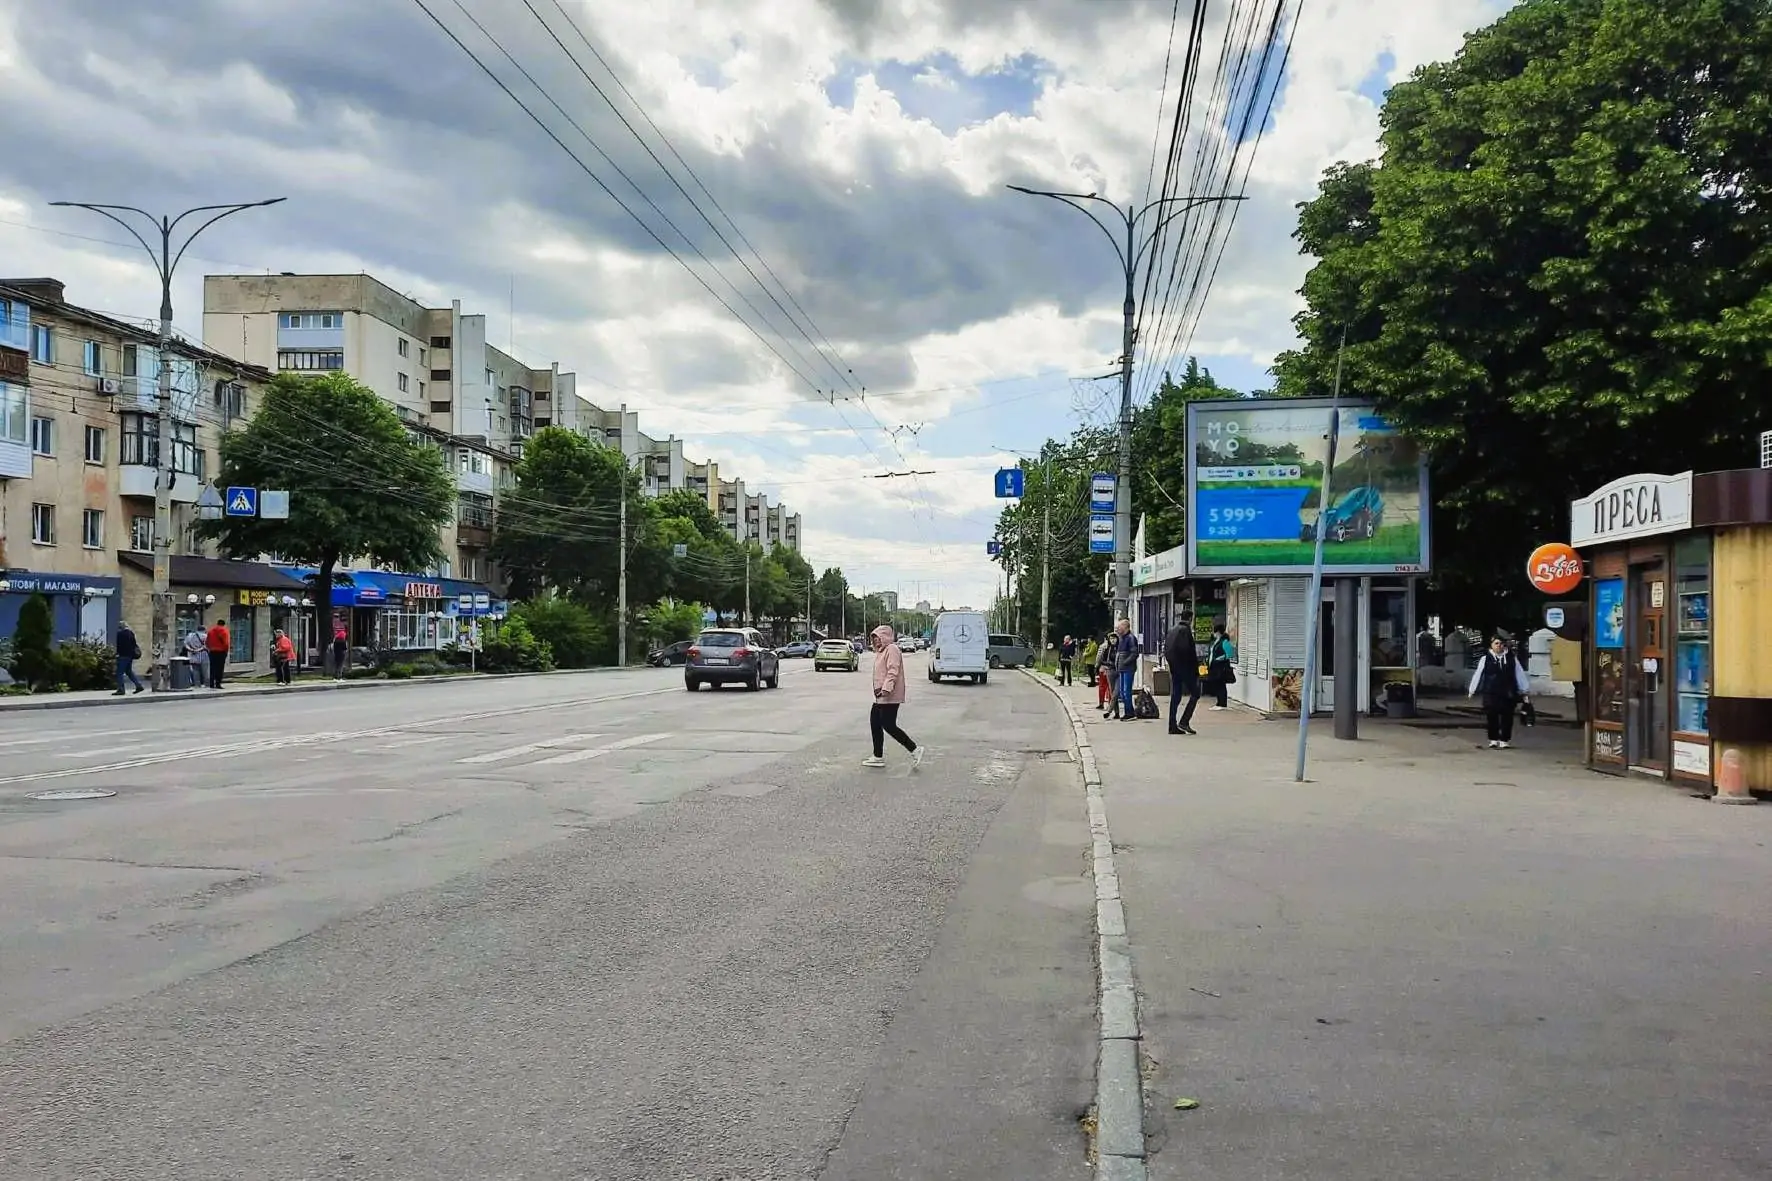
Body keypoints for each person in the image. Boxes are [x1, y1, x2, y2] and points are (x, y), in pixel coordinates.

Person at [863, 624, 922, 770]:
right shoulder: (881, 651)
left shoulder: (892, 649)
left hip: (889, 694)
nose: (875, 641)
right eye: (873, 638)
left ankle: (914, 749)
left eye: (878, 637)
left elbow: (893, 670)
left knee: (888, 725)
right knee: (875, 722)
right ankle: (877, 756)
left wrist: (886, 688)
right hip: (881, 694)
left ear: (885, 637)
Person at [1469, 634, 1531, 748]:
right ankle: (1493, 739)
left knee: (1507, 716)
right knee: (1492, 716)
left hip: (1508, 692)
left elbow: (1519, 674)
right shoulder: (1485, 659)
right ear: (1491, 645)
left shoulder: (1512, 659)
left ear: (1504, 645)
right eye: (1496, 643)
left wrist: (1524, 690)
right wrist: (1472, 689)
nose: (1499, 646)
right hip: (1491, 692)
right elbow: (1478, 674)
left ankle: (1504, 740)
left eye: (1501, 644)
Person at [1164, 613, 1200, 735]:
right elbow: (1188, 651)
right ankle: (1184, 721)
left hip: (1174, 667)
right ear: (1190, 619)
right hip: (1185, 668)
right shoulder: (1185, 631)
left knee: (1176, 695)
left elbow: (1166, 649)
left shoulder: (1172, 630)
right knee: (1195, 693)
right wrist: (1195, 669)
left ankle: (1172, 724)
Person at [1203, 621, 1236, 710]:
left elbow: (1229, 654)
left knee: (1221, 684)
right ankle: (1219, 702)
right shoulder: (1215, 642)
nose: (1213, 633)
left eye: (1214, 631)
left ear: (1218, 632)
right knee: (1216, 684)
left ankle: (1222, 703)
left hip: (1221, 667)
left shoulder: (1224, 641)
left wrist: (1219, 659)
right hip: (1214, 666)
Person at [1112, 618, 1140, 722]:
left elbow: (1134, 653)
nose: (1118, 629)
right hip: (1122, 669)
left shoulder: (1130, 638)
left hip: (1128, 668)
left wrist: (1125, 662)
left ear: (1125, 627)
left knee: (1126, 691)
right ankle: (1130, 711)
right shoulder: (1122, 638)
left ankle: (1129, 713)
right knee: (1122, 692)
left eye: (1119, 627)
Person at [113, 621, 145, 696]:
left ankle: (121, 689)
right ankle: (138, 686)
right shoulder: (131, 633)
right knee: (129, 671)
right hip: (130, 656)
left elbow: (119, 645)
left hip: (123, 656)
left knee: (119, 673)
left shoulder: (120, 634)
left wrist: (117, 654)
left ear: (121, 627)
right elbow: (134, 644)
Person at [204, 617, 231, 690]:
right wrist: (226, 651)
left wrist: (210, 648)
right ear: (223, 624)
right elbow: (226, 643)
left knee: (212, 668)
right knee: (220, 668)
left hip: (212, 651)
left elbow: (207, 642)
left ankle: (211, 684)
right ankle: (218, 684)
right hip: (221, 652)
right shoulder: (224, 631)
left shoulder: (211, 631)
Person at [1096, 633, 1116, 714]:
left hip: (1104, 668)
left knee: (1102, 686)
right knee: (1110, 687)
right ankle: (1110, 704)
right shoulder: (1116, 646)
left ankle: (1101, 703)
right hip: (1112, 668)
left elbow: (1099, 657)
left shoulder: (1103, 646)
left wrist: (1097, 666)